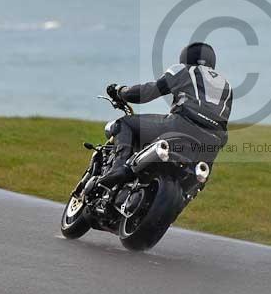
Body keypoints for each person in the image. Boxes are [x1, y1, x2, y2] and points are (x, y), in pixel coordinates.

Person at [96, 42, 233, 188]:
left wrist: (120, 91)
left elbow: (145, 93)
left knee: (124, 123)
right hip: (213, 142)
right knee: (196, 184)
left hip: (181, 124)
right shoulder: (227, 86)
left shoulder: (185, 70)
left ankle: (118, 167)